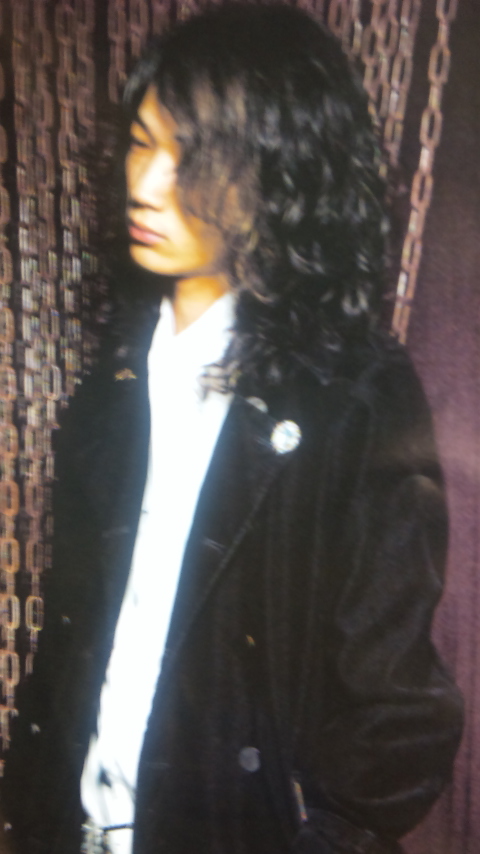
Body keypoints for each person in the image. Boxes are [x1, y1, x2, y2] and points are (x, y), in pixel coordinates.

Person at [1, 4, 463, 854]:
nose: (147, 185)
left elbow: (397, 717)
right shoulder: (112, 384)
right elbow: (69, 653)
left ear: (279, 174)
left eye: (191, 158)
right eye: (141, 143)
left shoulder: (352, 397)